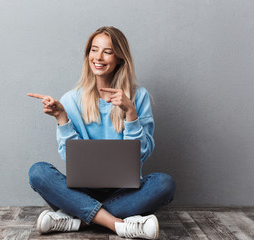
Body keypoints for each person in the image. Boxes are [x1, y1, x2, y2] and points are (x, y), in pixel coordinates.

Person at [27, 26, 175, 239]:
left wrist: (130, 113)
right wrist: (61, 118)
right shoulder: (71, 99)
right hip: (81, 191)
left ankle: (77, 219)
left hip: (125, 192)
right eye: (94, 50)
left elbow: (141, 154)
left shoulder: (138, 97)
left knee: (165, 184)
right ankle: (117, 224)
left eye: (107, 51)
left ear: (120, 58)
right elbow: (70, 157)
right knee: (38, 172)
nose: (98, 57)